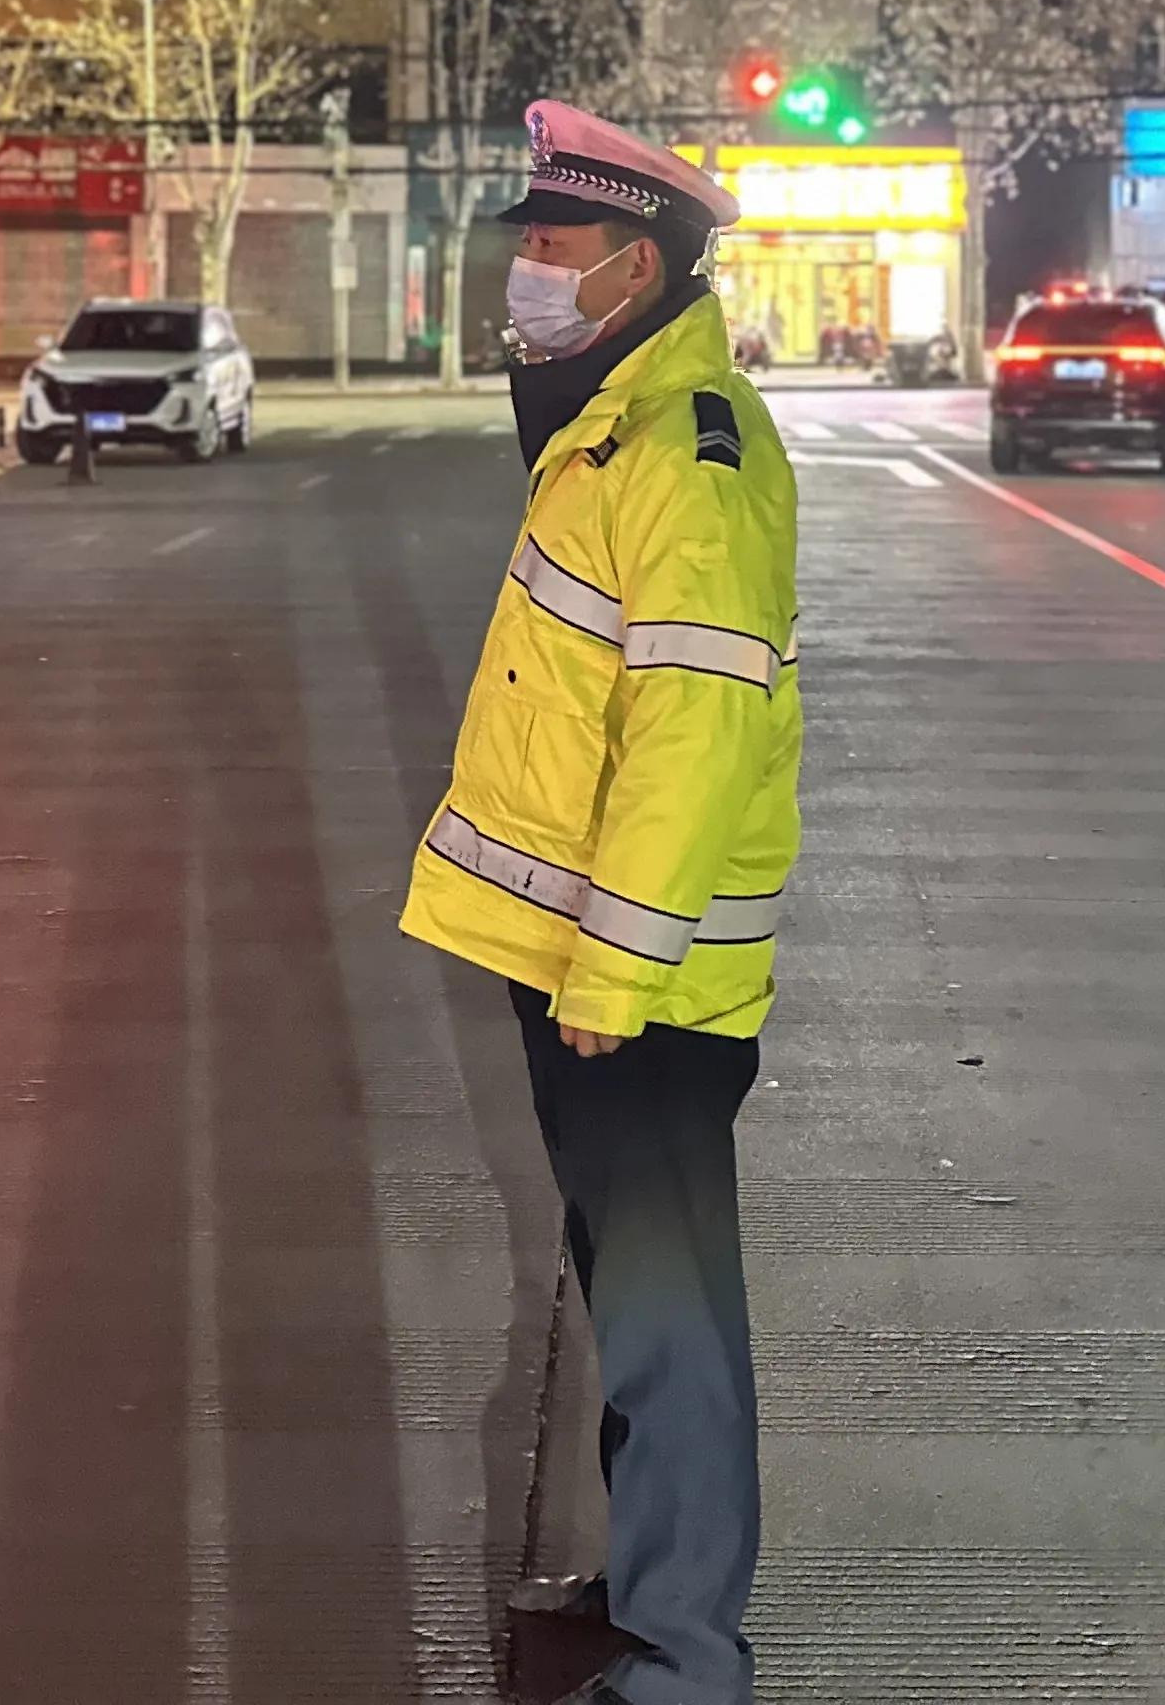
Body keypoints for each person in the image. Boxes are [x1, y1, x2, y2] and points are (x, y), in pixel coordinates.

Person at [403, 100, 803, 1705]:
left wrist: (618, 967)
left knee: (665, 1314)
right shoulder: (618, 423)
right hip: (591, 956)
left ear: (636, 267)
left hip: (639, 980)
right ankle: (651, 1593)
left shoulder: (685, 448)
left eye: (552, 248)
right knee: (629, 1283)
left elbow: (696, 724)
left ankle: (686, 1658)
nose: (525, 272)